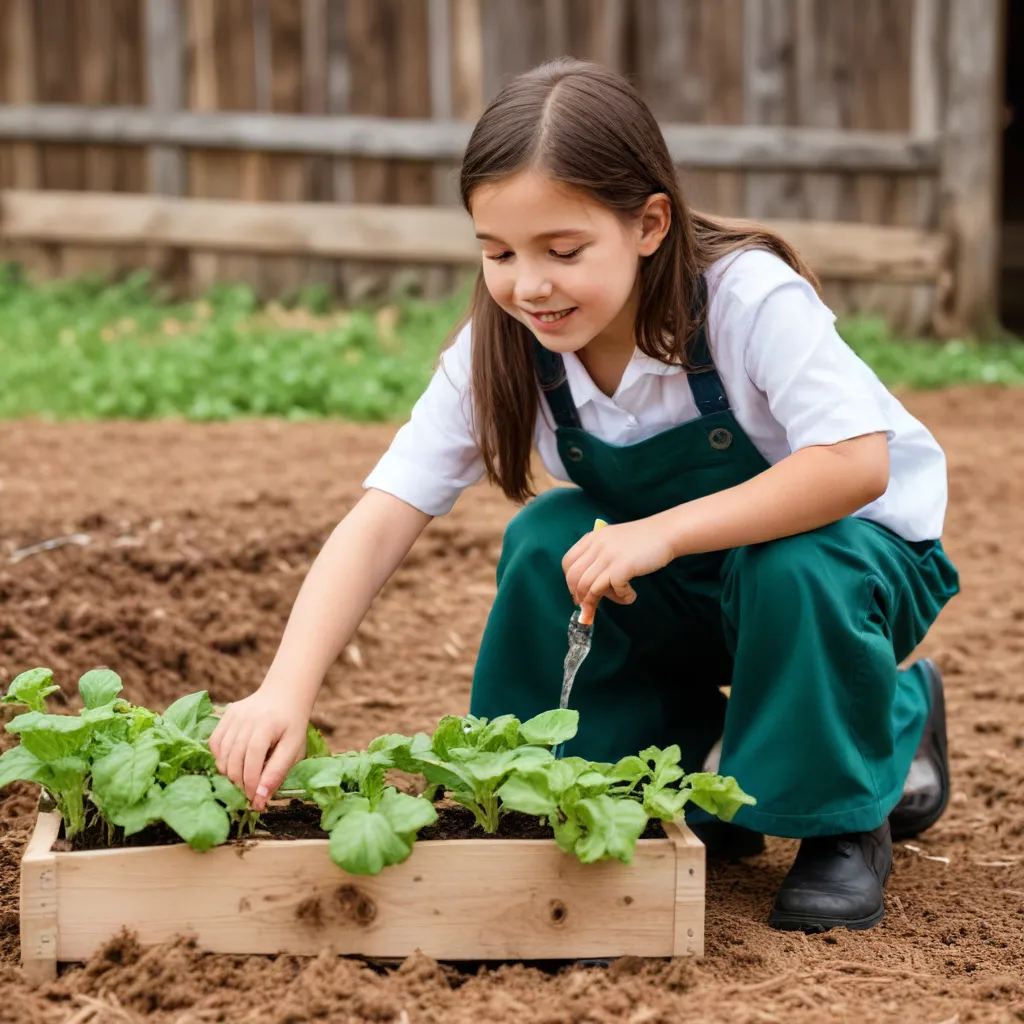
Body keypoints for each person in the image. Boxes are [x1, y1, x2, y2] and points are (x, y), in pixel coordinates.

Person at [209, 58, 959, 933]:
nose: (529, 284)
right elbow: (383, 515)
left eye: (563, 252)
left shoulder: (746, 298)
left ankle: (845, 813)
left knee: (793, 563)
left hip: (851, 570)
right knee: (547, 538)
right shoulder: (506, 347)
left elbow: (855, 464)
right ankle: (650, 780)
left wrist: (665, 531)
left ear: (648, 224)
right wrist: (283, 692)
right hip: (702, 583)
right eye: (498, 253)